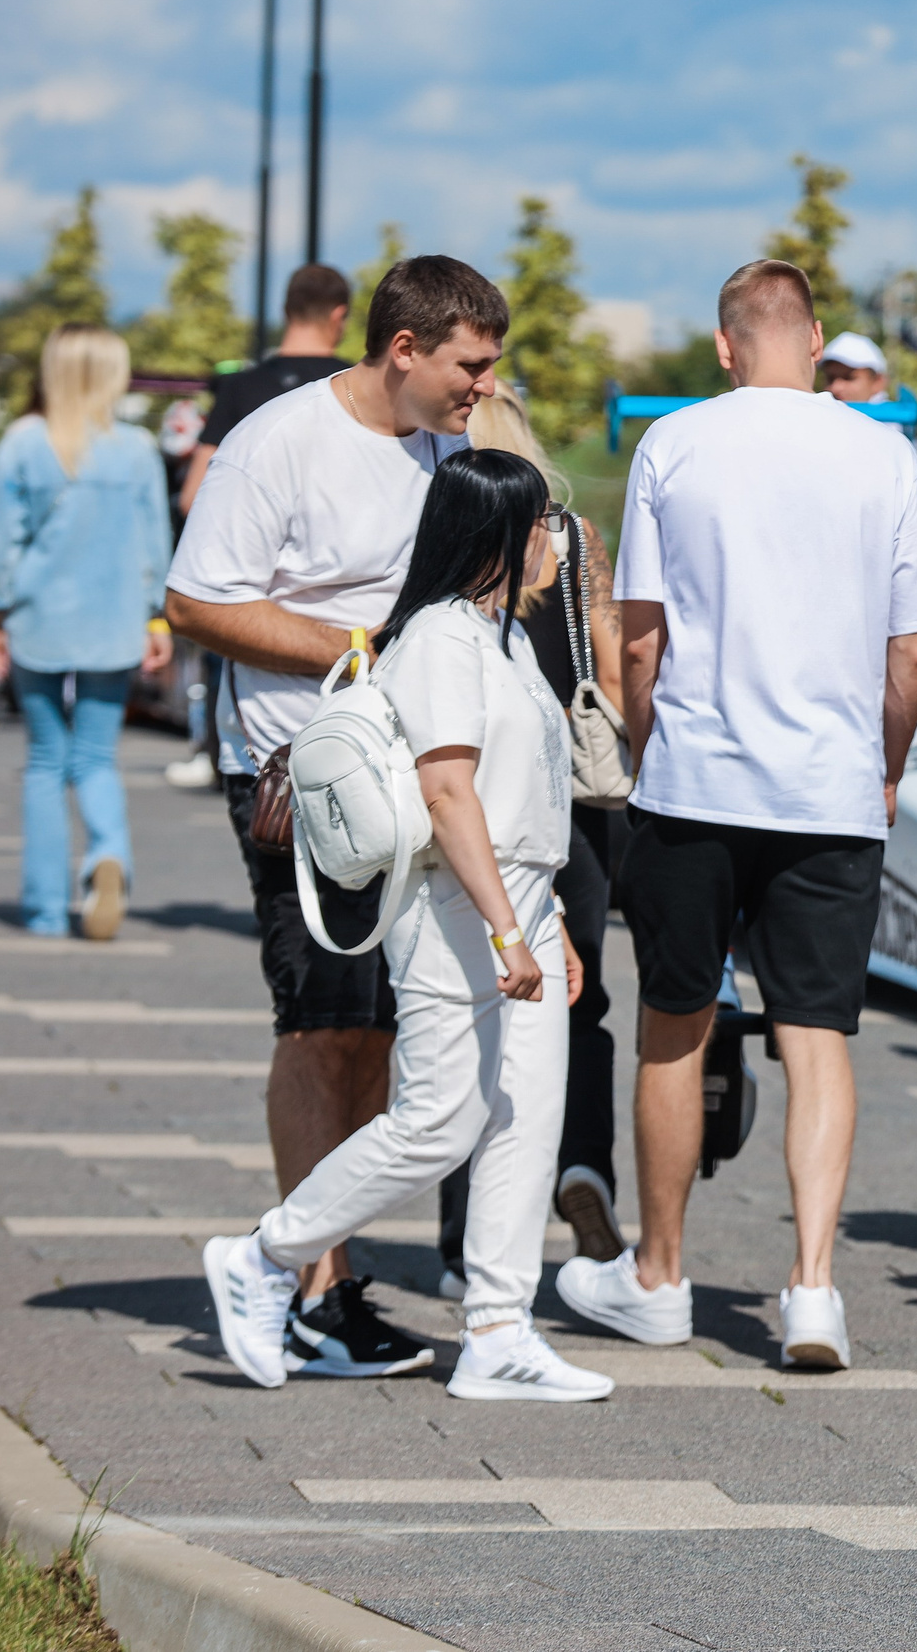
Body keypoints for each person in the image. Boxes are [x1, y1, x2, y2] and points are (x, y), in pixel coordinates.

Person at [559, 259, 917, 1368]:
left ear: (727, 346)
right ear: (817, 337)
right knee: (820, 1036)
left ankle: (660, 1276)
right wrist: (883, 767)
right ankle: (815, 1290)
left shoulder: (675, 445)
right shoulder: (883, 452)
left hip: (695, 780)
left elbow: (636, 634)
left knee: (675, 1025)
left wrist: (651, 745)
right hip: (830, 786)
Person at [202, 447, 610, 1403]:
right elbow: (448, 789)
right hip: (460, 904)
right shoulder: (436, 637)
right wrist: (511, 930)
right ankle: (264, 1255)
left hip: (523, 898)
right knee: (438, 1121)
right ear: (498, 536)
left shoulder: (502, 635)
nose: (559, 541)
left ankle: (501, 1329)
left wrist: (549, 927)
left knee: (522, 1117)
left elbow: (528, 791)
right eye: (545, 523)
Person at [165, 255, 507, 1377]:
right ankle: (312, 1287)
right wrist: (351, 646)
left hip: (407, 785)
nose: (482, 386)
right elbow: (196, 600)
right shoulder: (281, 439)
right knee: (319, 1025)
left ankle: (323, 1272)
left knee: (380, 1028)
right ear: (403, 349)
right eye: (470, 364)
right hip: (299, 782)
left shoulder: (449, 446)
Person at [433, 382, 629, 1296]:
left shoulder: (459, 535)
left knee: (467, 1013)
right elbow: (616, 654)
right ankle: (585, 1164)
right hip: (576, 806)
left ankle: (456, 1239)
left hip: (484, 798)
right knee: (574, 999)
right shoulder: (579, 539)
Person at [0, 326, 173, 940]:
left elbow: (5, 542)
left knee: (44, 761)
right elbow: (153, 541)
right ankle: (107, 854)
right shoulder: (137, 448)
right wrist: (156, 614)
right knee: (94, 758)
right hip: (114, 619)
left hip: (40, 616)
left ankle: (41, 908)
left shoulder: (24, 443)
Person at [165, 264, 353, 790]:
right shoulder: (352, 387)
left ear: (286, 311)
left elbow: (190, 494)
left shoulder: (242, 387)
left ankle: (210, 750)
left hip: (253, 624)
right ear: (339, 315)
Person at [817, 331, 894, 405]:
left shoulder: (896, 417)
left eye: (848, 378)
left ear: (877, 382)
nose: (836, 388)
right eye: (830, 378)